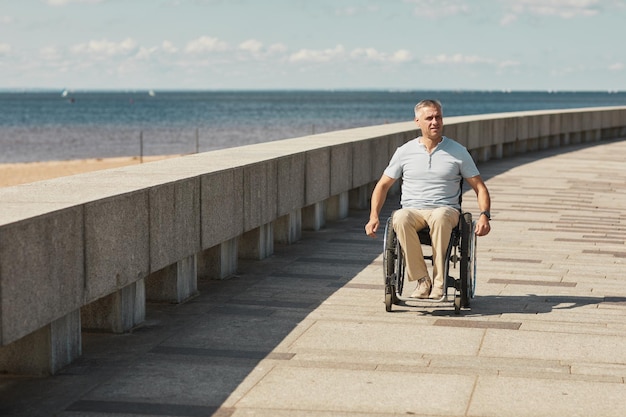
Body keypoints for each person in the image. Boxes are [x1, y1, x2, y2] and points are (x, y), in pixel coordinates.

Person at [364, 99, 491, 299]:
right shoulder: (404, 151)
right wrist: (373, 216)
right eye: (429, 118)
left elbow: (480, 187)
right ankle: (423, 281)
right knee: (400, 217)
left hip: (446, 210)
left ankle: (439, 284)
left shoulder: (458, 151)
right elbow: (382, 185)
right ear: (417, 122)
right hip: (413, 211)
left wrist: (484, 215)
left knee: (440, 216)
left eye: (438, 117)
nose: (435, 122)